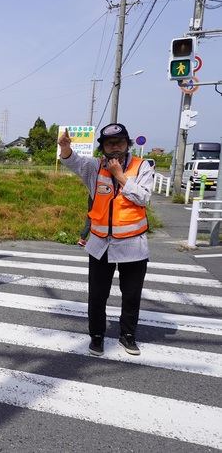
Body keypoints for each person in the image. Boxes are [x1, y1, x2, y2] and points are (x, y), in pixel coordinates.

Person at [58, 123, 154, 357]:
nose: (115, 147)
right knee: (97, 295)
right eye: (110, 144)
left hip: (133, 244)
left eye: (120, 142)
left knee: (131, 295)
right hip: (100, 243)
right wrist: (65, 149)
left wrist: (120, 176)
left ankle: (128, 335)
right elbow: (73, 162)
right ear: (103, 147)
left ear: (127, 144)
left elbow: (143, 198)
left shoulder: (143, 167)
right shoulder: (95, 167)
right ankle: (97, 336)